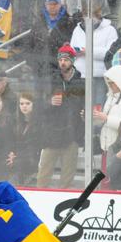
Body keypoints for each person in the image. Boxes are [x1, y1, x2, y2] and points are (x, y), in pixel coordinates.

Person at [38, 44, 85, 189]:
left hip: (71, 136)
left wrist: (84, 113)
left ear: (72, 61)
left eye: (66, 59)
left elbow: (85, 106)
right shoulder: (50, 80)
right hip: (51, 135)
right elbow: (38, 106)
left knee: (67, 181)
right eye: (60, 60)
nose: (62, 62)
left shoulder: (81, 83)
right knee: (43, 177)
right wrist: (49, 102)